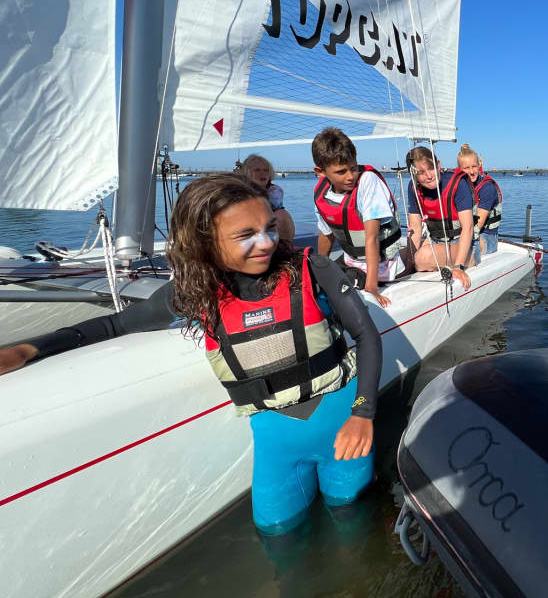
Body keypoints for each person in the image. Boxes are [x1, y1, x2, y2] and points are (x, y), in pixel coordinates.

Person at [0, 174, 382, 536]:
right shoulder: (195, 294)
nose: (266, 242)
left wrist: (363, 412)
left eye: (268, 228)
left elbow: (366, 336)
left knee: (351, 521)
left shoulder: (312, 270)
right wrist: (31, 347)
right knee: (278, 535)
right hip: (276, 441)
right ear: (205, 241)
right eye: (246, 234)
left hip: (345, 428)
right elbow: (116, 325)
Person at [311, 128, 409, 308]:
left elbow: (371, 238)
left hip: (381, 268)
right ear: (321, 171)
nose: (350, 176)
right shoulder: (321, 193)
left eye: (353, 168)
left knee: (337, 294)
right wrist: (317, 274)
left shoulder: (367, 181)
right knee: (315, 289)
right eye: (341, 172)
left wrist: (372, 288)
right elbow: (326, 234)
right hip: (351, 262)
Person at [405, 146, 474, 290]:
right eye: (421, 172)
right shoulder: (414, 188)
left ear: (438, 165)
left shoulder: (458, 184)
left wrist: (458, 266)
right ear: (413, 176)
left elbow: (468, 228)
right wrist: (407, 265)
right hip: (438, 243)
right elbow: (416, 229)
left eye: (431, 168)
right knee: (402, 257)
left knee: (422, 257)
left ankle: (427, 263)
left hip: (466, 247)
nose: (429, 176)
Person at [456, 143, 502, 261]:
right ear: (459, 169)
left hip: (486, 238)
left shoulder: (487, 188)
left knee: (455, 249)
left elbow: (477, 226)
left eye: (474, 166)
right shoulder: (459, 186)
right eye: (466, 168)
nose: (471, 171)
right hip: (465, 233)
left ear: (479, 166)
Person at [241, 154, 295, 241]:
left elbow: (265, 205)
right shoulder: (239, 189)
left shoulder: (275, 190)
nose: (262, 173)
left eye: (266, 170)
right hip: (247, 223)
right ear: (246, 173)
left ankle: (286, 246)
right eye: (257, 170)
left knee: (282, 214)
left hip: (269, 222)